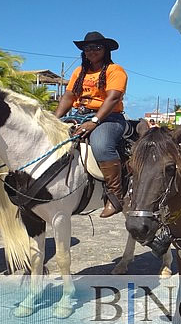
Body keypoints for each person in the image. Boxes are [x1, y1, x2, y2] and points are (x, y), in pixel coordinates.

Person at [55, 31, 128, 218]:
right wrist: (53, 120)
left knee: (102, 145)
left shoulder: (115, 70)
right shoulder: (79, 72)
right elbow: (69, 96)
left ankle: (114, 196)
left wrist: (94, 122)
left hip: (108, 117)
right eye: (88, 48)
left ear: (105, 50)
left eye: (97, 47)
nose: (92, 51)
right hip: (79, 115)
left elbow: (113, 99)